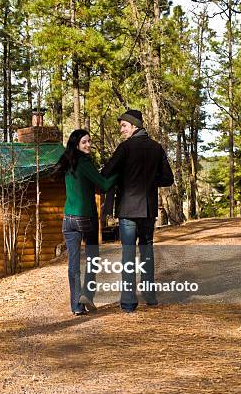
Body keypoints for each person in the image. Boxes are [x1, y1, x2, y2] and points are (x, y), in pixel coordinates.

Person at [102, 110, 174, 313]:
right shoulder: (156, 148)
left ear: (134, 126)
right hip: (148, 210)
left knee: (127, 254)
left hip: (127, 209)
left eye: (124, 126)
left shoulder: (125, 148)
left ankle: (128, 302)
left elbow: (107, 172)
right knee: (147, 252)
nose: (121, 130)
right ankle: (150, 297)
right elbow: (168, 178)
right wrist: (150, 181)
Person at [57, 129, 118, 316]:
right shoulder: (84, 163)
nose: (88, 145)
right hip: (85, 218)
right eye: (84, 142)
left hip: (68, 219)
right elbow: (105, 185)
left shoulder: (67, 162)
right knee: (92, 258)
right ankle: (87, 296)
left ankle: (76, 306)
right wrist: (119, 173)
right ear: (77, 144)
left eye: (89, 141)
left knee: (73, 264)